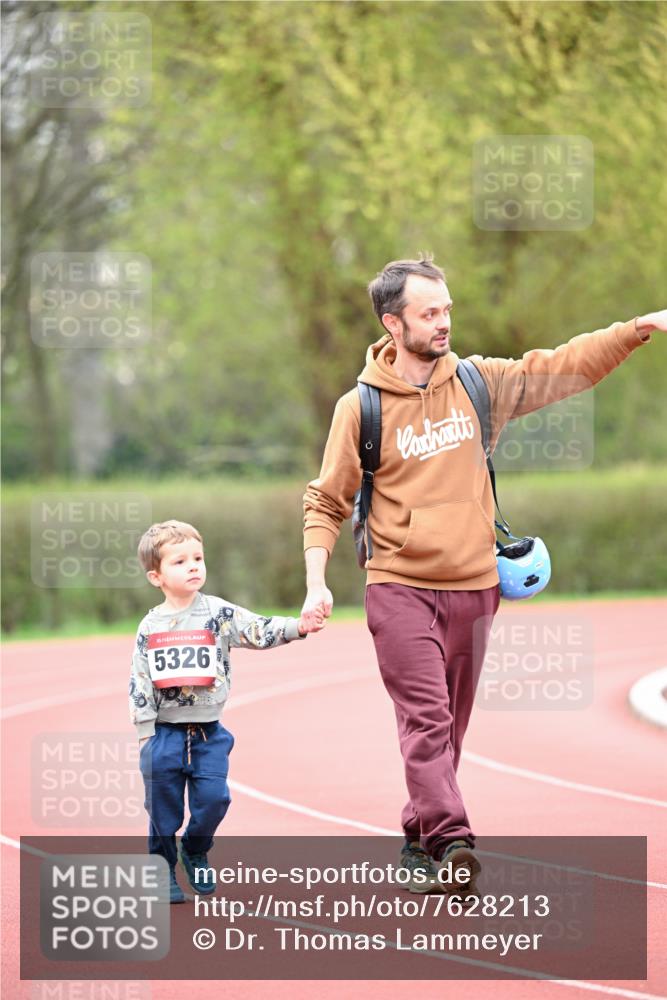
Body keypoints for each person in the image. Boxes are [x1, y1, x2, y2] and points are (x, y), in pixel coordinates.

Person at [301, 256, 665, 893]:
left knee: (450, 728)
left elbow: (559, 368)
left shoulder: (478, 383)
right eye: (428, 313)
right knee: (426, 721)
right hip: (399, 587)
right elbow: (326, 500)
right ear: (393, 323)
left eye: (446, 309)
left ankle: (419, 839)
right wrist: (316, 581)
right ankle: (452, 842)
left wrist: (635, 328)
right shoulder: (359, 409)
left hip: (475, 587)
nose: (444, 322)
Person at [130, 519, 324, 902]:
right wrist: (145, 731)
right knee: (163, 811)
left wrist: (297, 627)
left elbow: (258, 628)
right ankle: (163, 867)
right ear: (156, 576)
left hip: (208, 734)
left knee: (215, 799)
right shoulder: (150, 626)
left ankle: (196, 849)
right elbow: (140, 677)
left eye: (198, 558)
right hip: (165, 735)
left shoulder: (217, 613)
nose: (193, 567)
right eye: (180, 561)